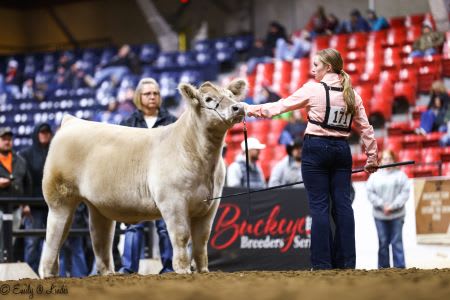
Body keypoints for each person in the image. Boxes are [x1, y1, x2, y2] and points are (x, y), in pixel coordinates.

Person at [246, 48, 378, 270]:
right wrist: (372, 157)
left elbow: (279, 107)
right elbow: (366, 129)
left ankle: (322, 264)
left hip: (316, 148)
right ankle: (346, 263)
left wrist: (250, 109)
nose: (313, 69)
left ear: (328, 67)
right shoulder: (352, 95)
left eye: (316, 65)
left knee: (319, 207)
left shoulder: (313, 90)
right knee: (343, 207)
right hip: (341, 150)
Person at [119, 77, 177, 274]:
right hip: (135, 182)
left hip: (166, 182)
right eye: (148, 94)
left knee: (166, 226)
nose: (152, 97)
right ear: (138, 97)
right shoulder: (127, 122)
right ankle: (128, 269)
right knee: (133, 227)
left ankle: (169, 268)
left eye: (156, 93)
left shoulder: (172, 122)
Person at [18, 123, 53, 274]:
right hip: (33, 207)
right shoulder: (26, 154)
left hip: (53, 206)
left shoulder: (56, 152)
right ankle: (30, 275)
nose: (45, 135)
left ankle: (52, 275)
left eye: (47, 132)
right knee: (32, 242)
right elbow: (22, 180)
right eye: (42, 132)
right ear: (36, 134)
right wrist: (24, 203)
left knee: (55, 243)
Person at [366, 150, 410, 269]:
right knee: (383, 243)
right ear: (381, 161)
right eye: (385, 159)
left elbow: (405, 193)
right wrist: (382, 205)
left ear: (394, 160)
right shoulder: (374, 176)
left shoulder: (401, 175)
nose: (387, 161)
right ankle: (383, 269)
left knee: (397, 242)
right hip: (380, 216)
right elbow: (370, 193)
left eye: (389, 158)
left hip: (397, 215)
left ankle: (400, 269)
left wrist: (392, 206)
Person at [0, 127, 32, 263]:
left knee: (9, 242)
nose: (7, 142)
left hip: (15, 209)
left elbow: (28, 183)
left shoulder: (20, 160)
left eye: (9, 139)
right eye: (4, 139)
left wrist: (26, 205)